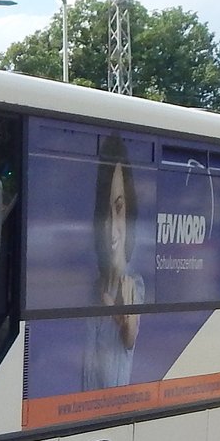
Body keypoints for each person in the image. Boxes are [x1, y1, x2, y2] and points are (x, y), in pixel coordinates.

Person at [82, 139, 144, 390]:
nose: (111, 228)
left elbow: (130, 339)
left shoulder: (133, 284)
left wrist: (122, 316)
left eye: (119, 209)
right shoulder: (92, 287)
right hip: (84, 409)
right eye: (104, 213)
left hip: (114, 410)